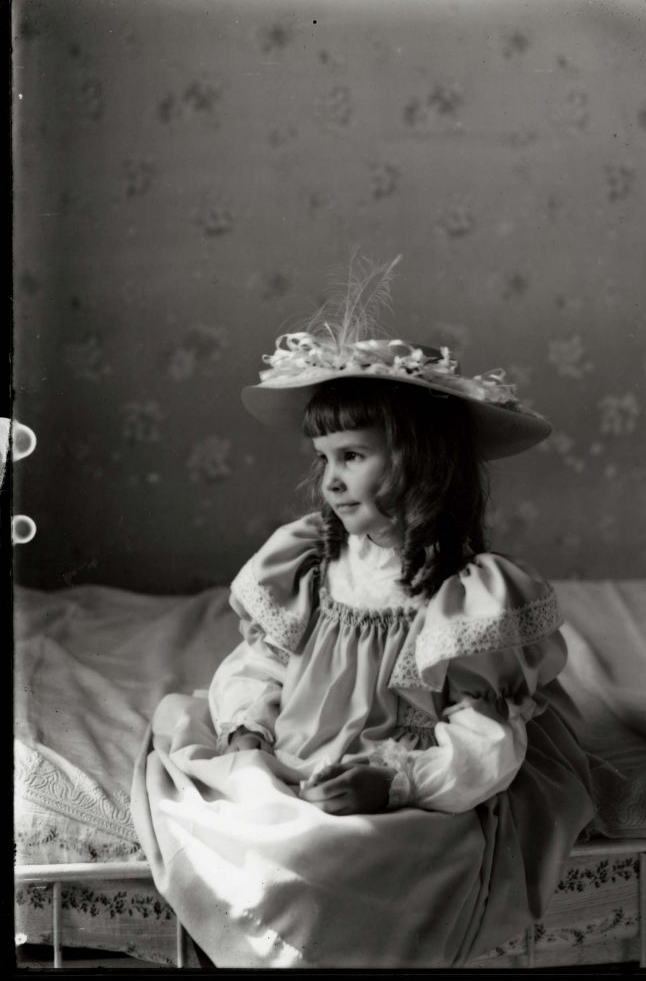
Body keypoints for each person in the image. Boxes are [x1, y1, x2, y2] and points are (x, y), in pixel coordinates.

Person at [130, 257, 594, 968]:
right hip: (296, 757)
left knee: (357, 857)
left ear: (420, 464)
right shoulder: (310, 562)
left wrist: (397, 782)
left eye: (351, 455)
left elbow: (484, 747)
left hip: (400, 773)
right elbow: (260, 660)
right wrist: (250, 733)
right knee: (232, 809)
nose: (331, 480)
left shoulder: (464, 595)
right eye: (322, 459)